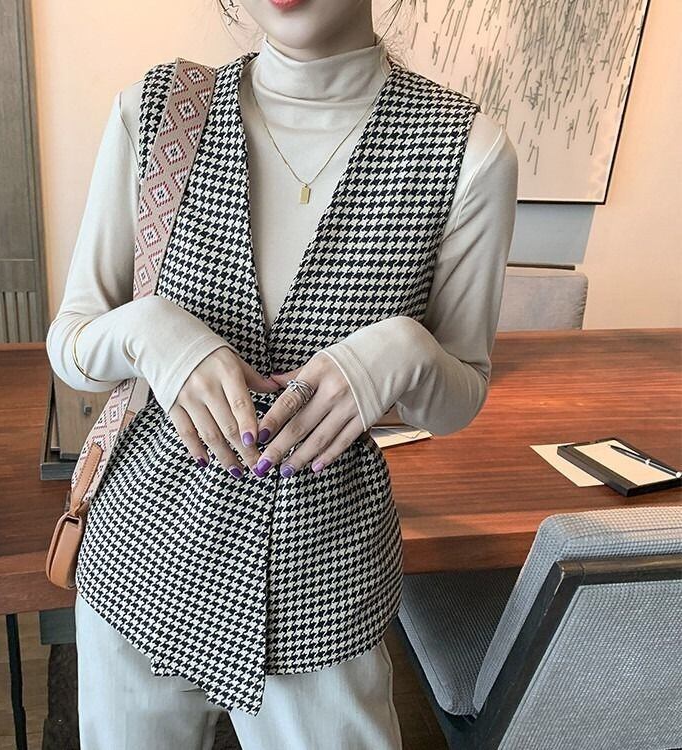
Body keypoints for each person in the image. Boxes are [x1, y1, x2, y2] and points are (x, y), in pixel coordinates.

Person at [47, 0, 518, 747]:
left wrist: (404, 350)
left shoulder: (467, 149)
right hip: (140, 562)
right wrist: (148, 330)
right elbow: (72, 340)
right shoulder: (160, 111)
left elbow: (460, 394)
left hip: (322, 583)